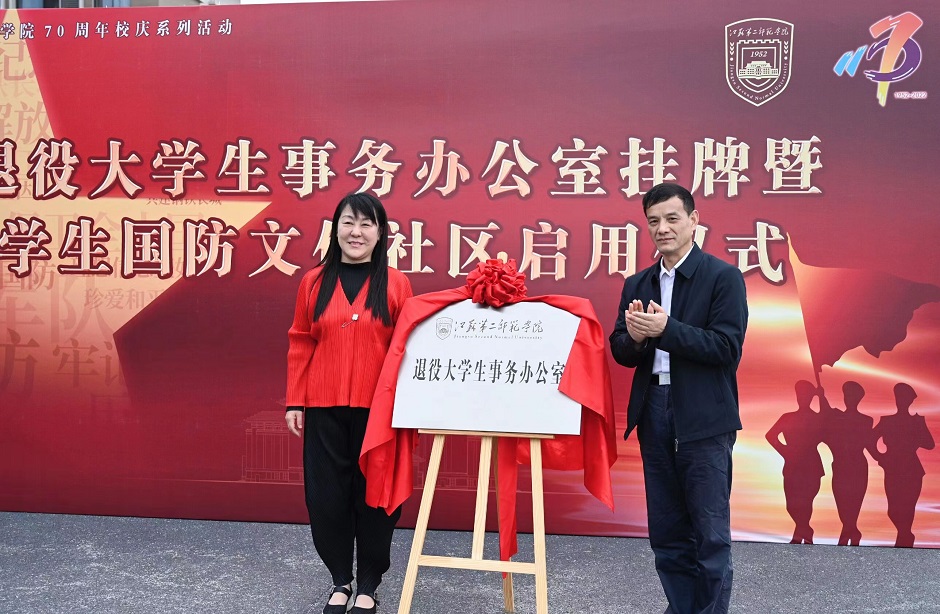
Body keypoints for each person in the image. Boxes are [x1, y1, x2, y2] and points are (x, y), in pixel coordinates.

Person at [609, 182, 748, 614]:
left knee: (709, 532)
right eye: (654, 221)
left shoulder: (722, 277)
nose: (662, 229)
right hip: (654, 409)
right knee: (667, 531)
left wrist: (666, 330)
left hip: (703, 416)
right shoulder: (639, 283)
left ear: (693, 220)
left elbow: (726, 347)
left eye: (672, 218)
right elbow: (620, 349)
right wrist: (635, 339)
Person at [285, 192, 413, 614]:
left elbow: (406, 347)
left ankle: (369, 585)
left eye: (366, 224)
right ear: (335, 228)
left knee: (375, 499)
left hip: (379, 413)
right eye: (348, 222)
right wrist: (295, 401)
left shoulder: (396, 284)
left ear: (380, 233)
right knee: (326, 498)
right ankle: (340, 580)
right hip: (323, 406)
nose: (356, 232)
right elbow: (301, 341)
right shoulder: (313, 282)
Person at [870, 383, 935, 547]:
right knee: (893, 510)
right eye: (899, 397)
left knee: (908, 507)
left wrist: (917, 433)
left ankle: (903, 540)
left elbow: (930, 444)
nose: (901, 401)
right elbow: (869, 440)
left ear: (909, 401)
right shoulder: (887, 421)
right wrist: (880, 458)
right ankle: (906, 535)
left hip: (912, 468)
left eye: (904, 398)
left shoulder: (917, 421)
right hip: (892, 467)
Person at [765, 380, 826, 545]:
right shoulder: (788, 417)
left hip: (812, 464)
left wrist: (822, 399)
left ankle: (799, 535)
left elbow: (827, 432)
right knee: (791, 505)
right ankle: (805, 530)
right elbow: (770, 435)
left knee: (806, 501)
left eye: (806, 395)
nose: (801, 398)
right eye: (800, 395)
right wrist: (785, 451)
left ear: (811, 397)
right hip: (792, 464)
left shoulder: (817, 418)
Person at [819, 381, 875, 546]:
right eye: (847, 395)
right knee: (842, 502)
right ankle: (852, 532)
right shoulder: (837, 416)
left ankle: (847, 535)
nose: (849, 398)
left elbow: (868, 443)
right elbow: (826, 413)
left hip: (857, 465)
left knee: (854, 502)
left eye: (852, 395)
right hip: (840, 465)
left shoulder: (866, 420)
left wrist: (883, 458)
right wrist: (821, 396)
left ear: (859, 399)